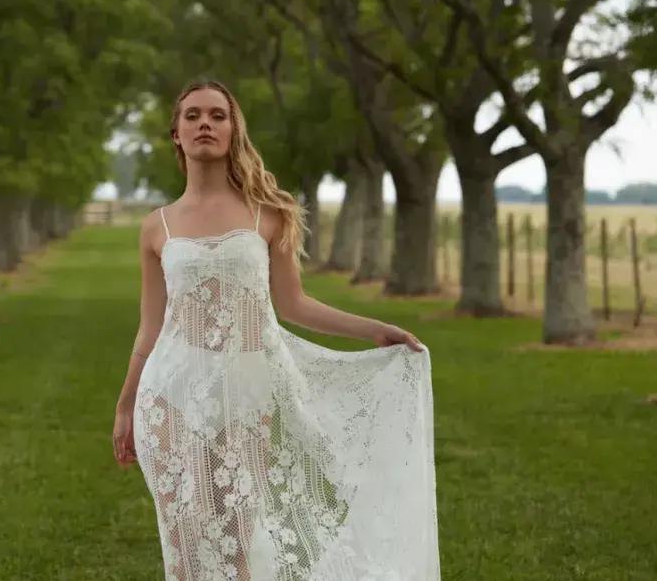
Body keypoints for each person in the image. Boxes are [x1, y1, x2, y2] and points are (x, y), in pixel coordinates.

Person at [113, 81, 440, 580]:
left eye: (217, 115)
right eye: (193, 115)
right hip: (169, 396)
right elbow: (150, 328)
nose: (205, 123)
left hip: (245, 393)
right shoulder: (158, 227)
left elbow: (294, 304)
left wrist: (374, 329)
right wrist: (125, 406)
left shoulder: (270, 214)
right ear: (176, 134)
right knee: (181, 541)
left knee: (236, 535)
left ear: (232, 130)